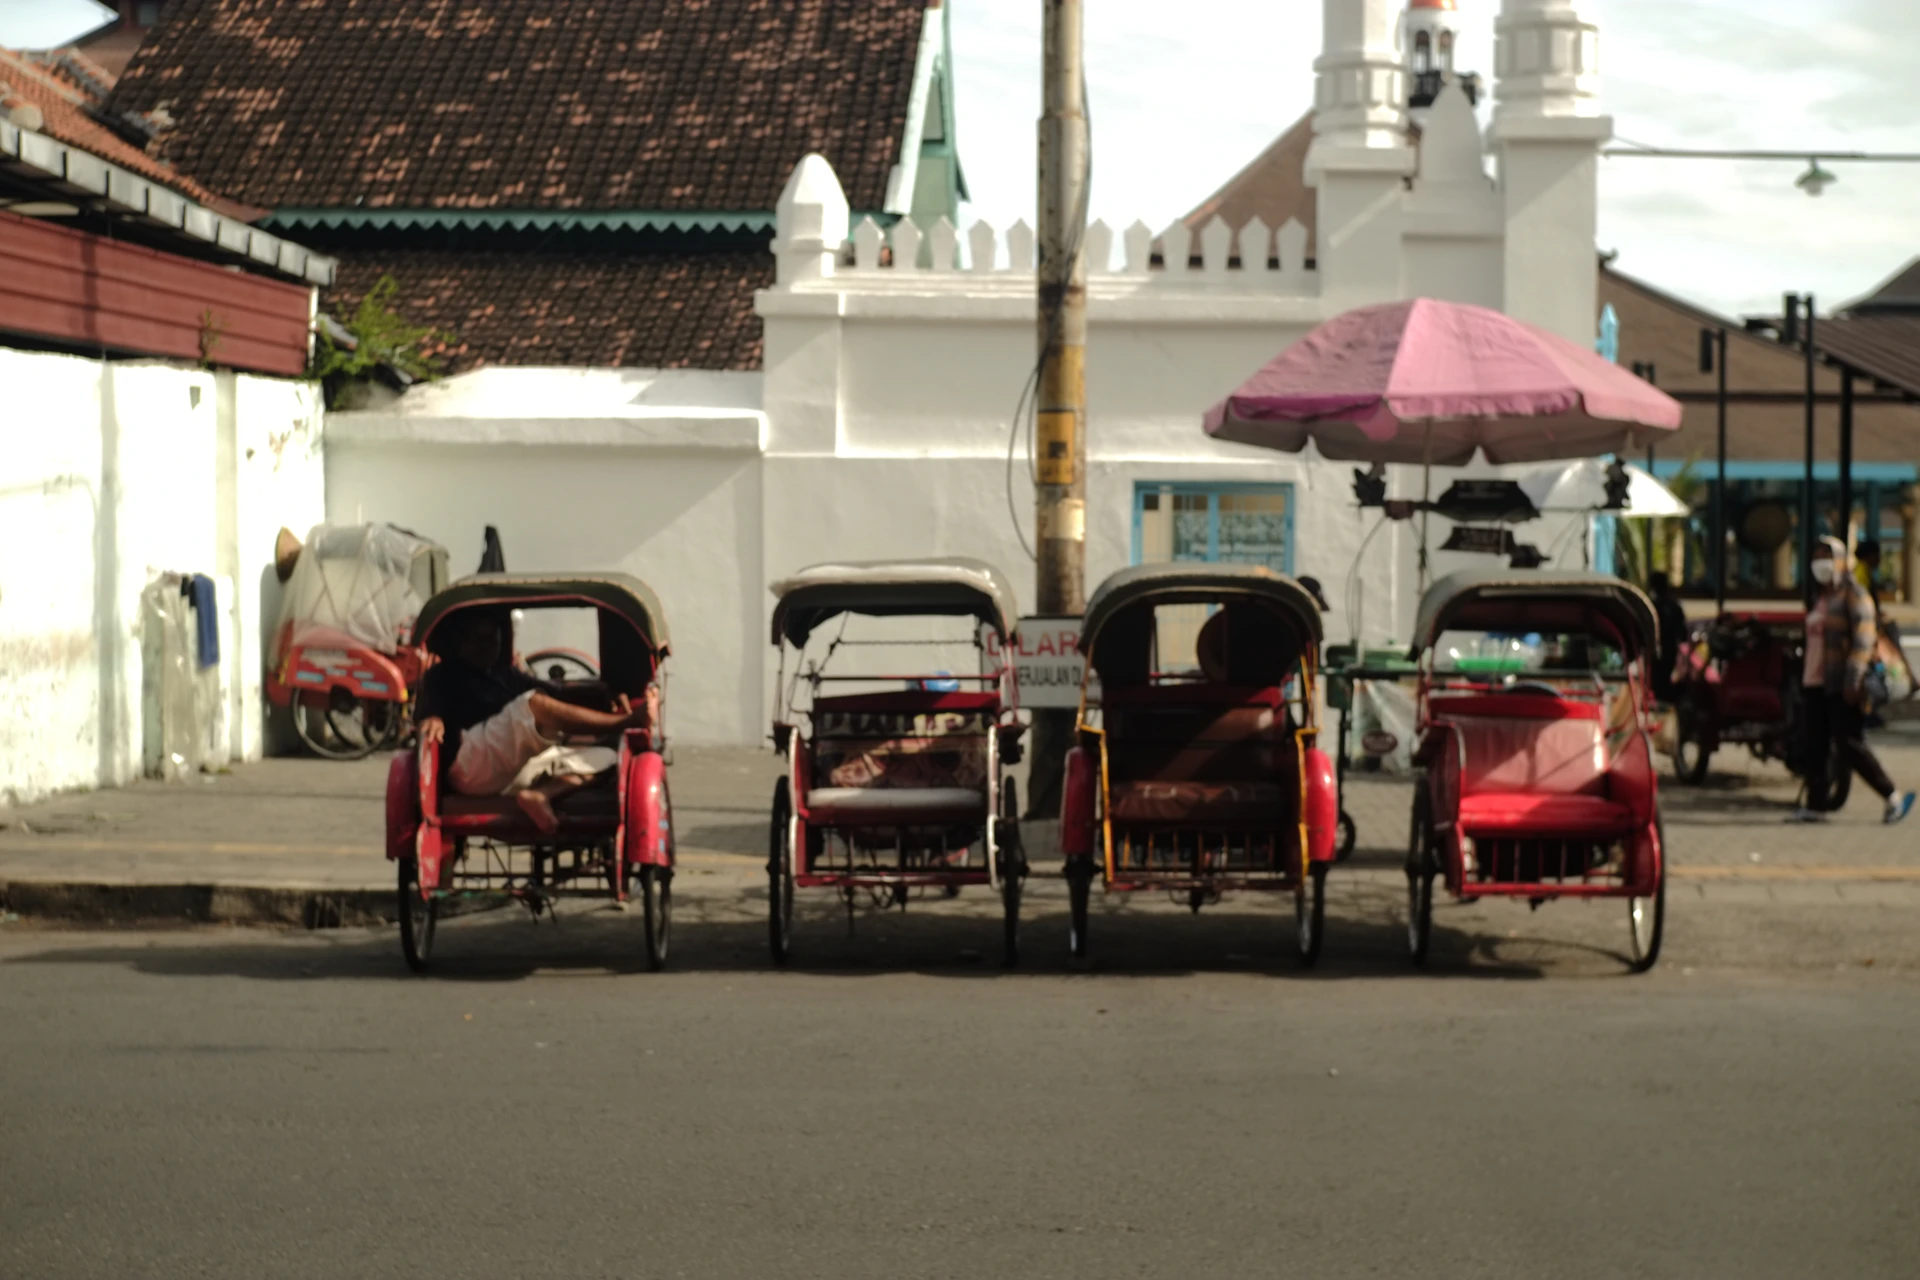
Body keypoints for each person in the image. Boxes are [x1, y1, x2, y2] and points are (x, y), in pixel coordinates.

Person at [416, 611, 658, 835]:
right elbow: (428, 712)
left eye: (492, 638)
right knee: (534, 705)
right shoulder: (443, 675)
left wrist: (606, 695)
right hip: (470, 762)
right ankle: (624, 722)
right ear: (461, 642)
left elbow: (558, 694)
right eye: (478, 639)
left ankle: (541, 795)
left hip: (511, 772)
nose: (487, 646)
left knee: (605, 757)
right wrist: (433, 717)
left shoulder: (505, 674)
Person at [1791, 537, 1915, 824]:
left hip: (1841, 684)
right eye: (1816, 555)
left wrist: (1853, 678)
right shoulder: (1822, 596)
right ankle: (1816, 805)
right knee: (1815, 745)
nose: (1820, 561)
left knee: (1849, 744)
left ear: (1839, 559)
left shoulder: (1853, 594)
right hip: (1815, 683)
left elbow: (1863, 639)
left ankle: (1892, 796)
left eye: (1826, 555)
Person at [1647, 575, 1688, 704]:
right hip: (1669, 652)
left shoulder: (1651, 607)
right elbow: (1683, 634)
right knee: (1664, 681)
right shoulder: (1675, 606)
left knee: (1656, 682)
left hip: (1655, 652)